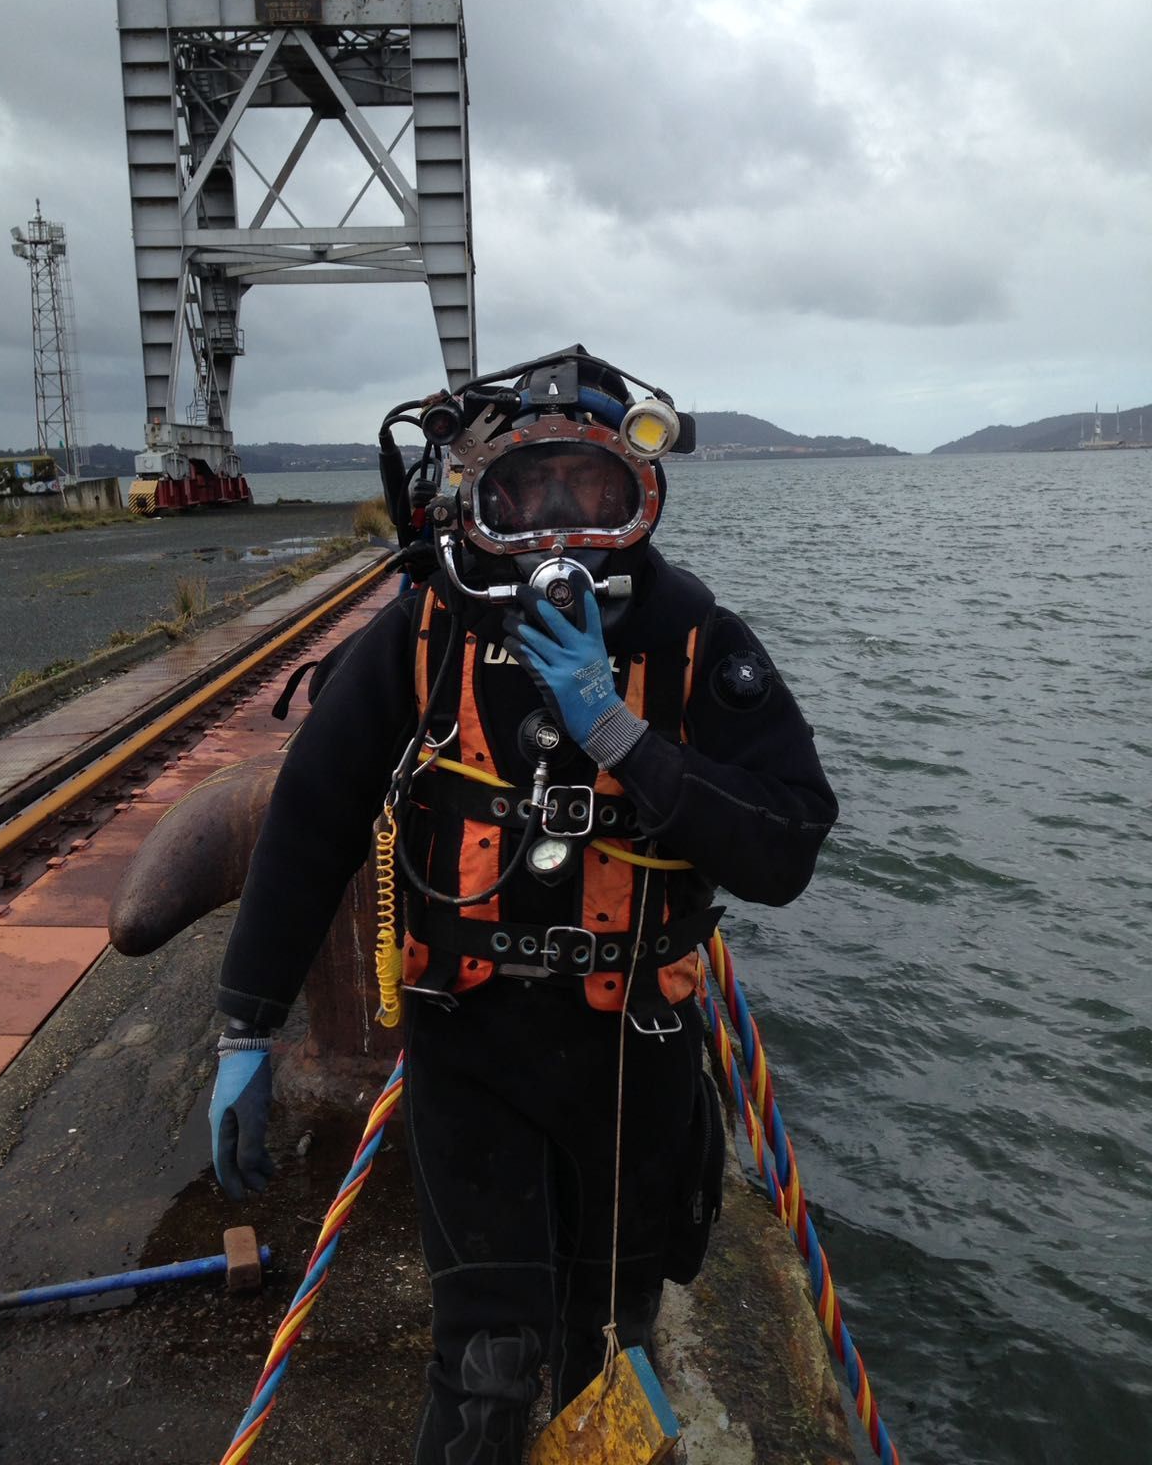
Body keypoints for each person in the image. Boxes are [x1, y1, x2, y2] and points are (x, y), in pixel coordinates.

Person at [208, 347, 838, 1464]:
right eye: (524, 495)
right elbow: (312, 814)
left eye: (593, 495)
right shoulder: (426, 633)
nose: (557, 533)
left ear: (638, 501)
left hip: (633, 1054)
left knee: (611, 1351)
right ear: (473, 503)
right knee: (489, 1365)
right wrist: (246, 1021)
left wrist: (623, 738)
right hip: (475, 1050)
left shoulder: (685, 634)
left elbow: (786, 841)